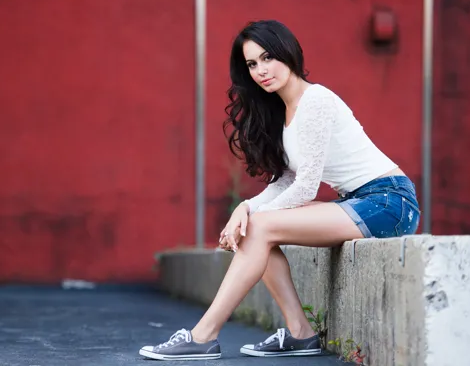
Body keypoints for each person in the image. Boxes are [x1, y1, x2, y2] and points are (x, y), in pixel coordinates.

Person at [138, 20, 421, 361]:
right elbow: (286, 181)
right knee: (258, 229)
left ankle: (203, 335)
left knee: (259, 226)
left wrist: (251, 216)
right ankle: (300, 334)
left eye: (268, 57)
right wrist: (244, 207)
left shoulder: (314, 100)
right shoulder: (285, 112)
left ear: (288, 51)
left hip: (389, 201)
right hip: (360, 201)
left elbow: (306, 187)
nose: (261, 70)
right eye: (252, 64)